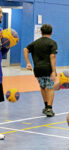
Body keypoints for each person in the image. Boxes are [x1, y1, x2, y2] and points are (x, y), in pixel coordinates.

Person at [24, 24, 57, 117]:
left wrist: (28, 63)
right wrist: (54, 71)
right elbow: (52, 56)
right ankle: (49, 109)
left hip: (38, 69)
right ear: (51, 32)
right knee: (50, 87)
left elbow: (25, 49)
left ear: (41, 32)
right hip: (48, 69)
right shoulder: (52, 43)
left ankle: (46, 106)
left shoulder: (35, 43)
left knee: (43, 87)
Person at [0, 6, 10, 140]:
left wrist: (6, 45)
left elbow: (1, 54)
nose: (1, 15)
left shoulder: (2, 31)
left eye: (1, 12)